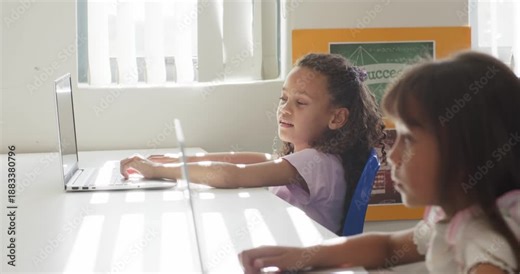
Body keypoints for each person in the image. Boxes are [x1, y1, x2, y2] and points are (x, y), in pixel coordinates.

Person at [238, 51, 520, 274]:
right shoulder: (456, 213)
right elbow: (387, 246)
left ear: (463, 152)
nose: (394, 156)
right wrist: (302, 256)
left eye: (409, 139)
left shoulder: (490, 244)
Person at [120, 53, 385, 234]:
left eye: (300, 102)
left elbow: (233, 175)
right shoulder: (314, 159)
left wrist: (159, 171)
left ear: (337, 117)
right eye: (283, 99)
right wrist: (175, 161)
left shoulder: (315, 162)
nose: (285, 109)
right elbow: (242, 159)